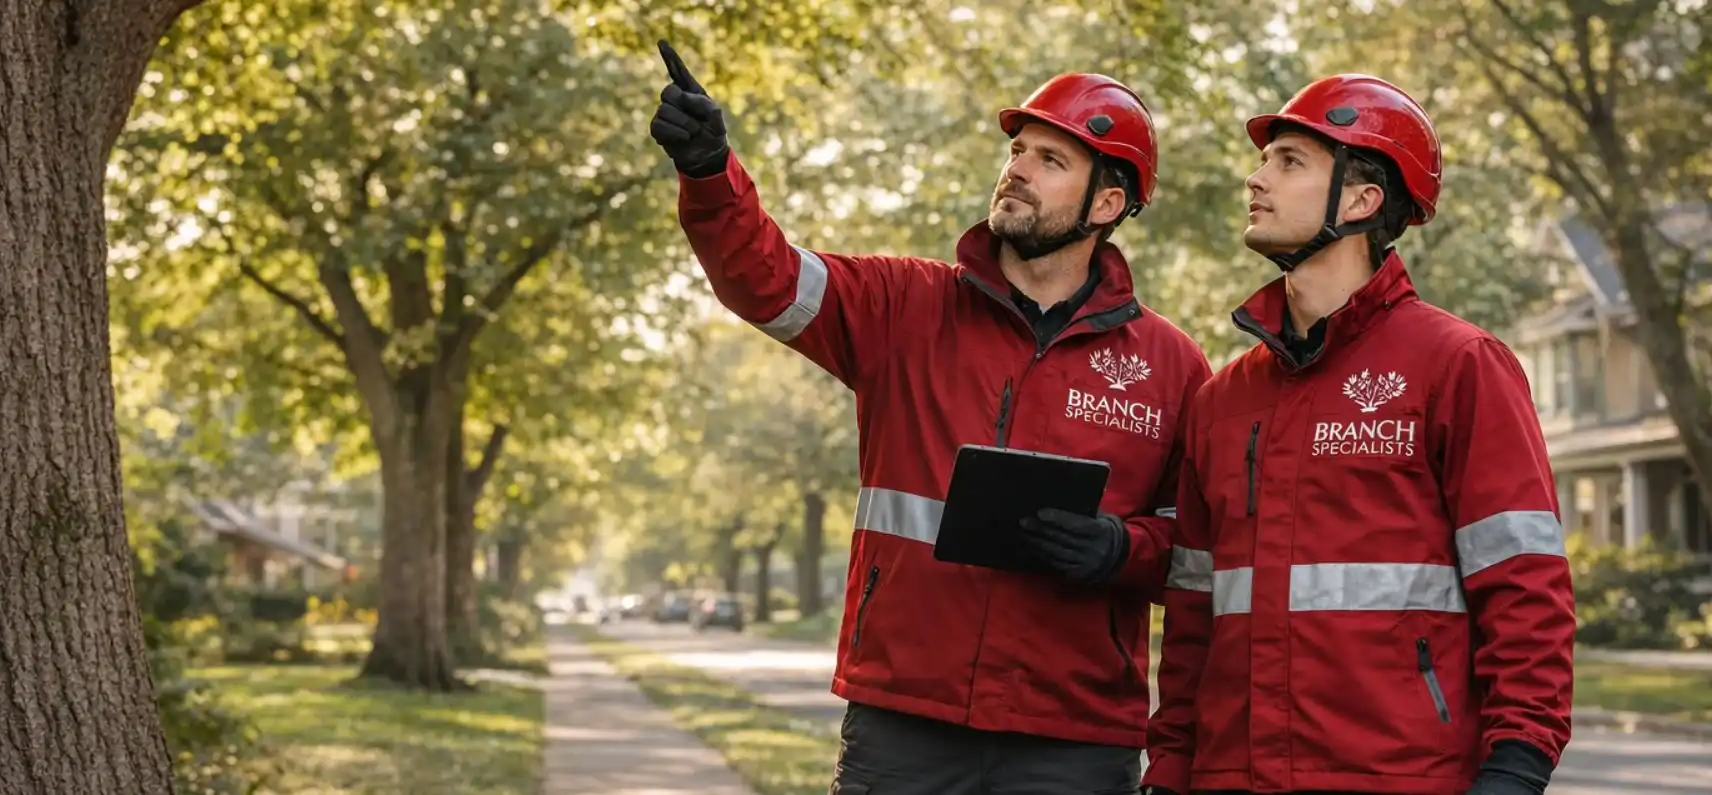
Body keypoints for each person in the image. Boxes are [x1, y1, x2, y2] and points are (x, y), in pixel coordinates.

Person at [650, 41, 1212, 794]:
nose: (1016, 167)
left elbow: (1195, 546)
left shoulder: (1172, 365)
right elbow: (767, 278)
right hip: (905, 717)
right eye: (1017, 150)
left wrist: (1120, 547)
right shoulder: (903, 306)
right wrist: (711, 173)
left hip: (1075, 737)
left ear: (1107, 204)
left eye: (1050, 160)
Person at [1142, 74, 1576, 795]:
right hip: (1231, 775)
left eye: (1288, 161)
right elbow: (1192, 614)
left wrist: (1519, 760)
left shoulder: (1458, 364)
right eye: (1265, 161)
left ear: (1362, 198)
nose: (1256, 179)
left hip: (1399, 775)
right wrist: (1171, 767)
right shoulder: (1222, 399)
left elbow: (1524, 582)